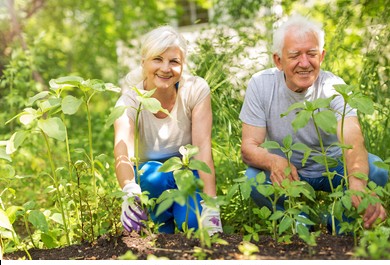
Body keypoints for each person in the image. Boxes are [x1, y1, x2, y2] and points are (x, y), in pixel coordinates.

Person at [239, 14, 388, 232]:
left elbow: (353, 139)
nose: (305, 63)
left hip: (333, 169)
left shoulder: (334, 87)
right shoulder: (260, 85)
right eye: (295, 55)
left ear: (322, 56)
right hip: (290, 172)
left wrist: (357, 184)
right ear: (278, 60)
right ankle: (300, 221)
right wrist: (273, 162)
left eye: (312, 54)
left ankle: (340, 223)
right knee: (252, 178)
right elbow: (249, 147)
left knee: (376, 170)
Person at [114, 25, 223, 235]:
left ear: (182, 65)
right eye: (157, 59)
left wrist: (211, 204)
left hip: (187, 175)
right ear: (143, 62)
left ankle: (184, 217)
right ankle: (159, 226)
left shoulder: (195, 90)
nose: (165, 68)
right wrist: (128, 190)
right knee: (155, 178)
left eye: (174, 61)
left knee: (195, 226)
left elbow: (202, 148)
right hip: (149, 181)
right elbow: (123, 152)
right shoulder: (128, 101)